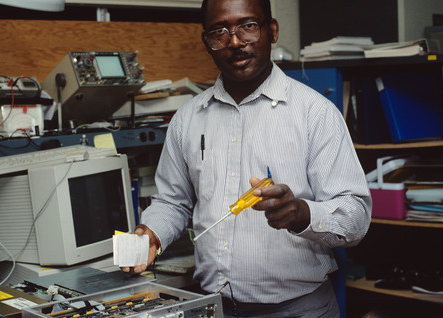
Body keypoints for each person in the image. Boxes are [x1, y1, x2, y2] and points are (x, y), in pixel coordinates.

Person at [122, 0, 372, 317]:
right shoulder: (187, 119)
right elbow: (174, 201)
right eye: (220, 32)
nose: (236, 42)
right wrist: (151, 233)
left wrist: (300, 213)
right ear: (207, 42)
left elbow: (356, 216)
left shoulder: (314, 113)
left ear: (272, 30)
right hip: (215, 307)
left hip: (299, 309)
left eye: (248, 26)